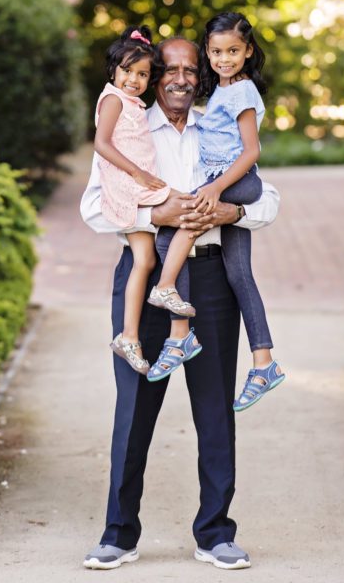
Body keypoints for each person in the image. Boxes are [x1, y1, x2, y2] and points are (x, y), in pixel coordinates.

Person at [80, 36, 280, 571]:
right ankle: (118, 533)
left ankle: (215, 532)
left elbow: (268, 196)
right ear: (152, 75)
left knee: (214, 409)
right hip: (146, 280)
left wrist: (228, 216)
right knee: (134, 407)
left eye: (191, 69)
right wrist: (159, 216)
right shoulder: (128, 123)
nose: (180, 78)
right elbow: (95, 206)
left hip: (212, 281)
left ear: (202, 77)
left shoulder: (220, 120)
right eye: (169, 68)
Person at [152, 12, 285, 410]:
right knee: (240, 274)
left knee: (179, 227)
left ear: (248, 51)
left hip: (238, 182)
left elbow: (252, 151)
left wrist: (215, 189)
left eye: (232, 51)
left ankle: (172, 311)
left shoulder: (241, 91)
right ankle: (264, 362)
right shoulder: (223, 91)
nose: (224, 58)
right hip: (227, 181)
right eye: (216, 51)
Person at [93, 26, 200, 376]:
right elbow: (102, 145)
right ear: (113, 71)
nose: (133, 80)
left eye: (141, 73)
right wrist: (141, 179)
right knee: (189, 208)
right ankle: (166, 287)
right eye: (127, 71)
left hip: (134, 190)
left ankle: (128, 336)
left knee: (145, 260)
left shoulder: (132, 106)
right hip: (130, 186)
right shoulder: (113, 100)